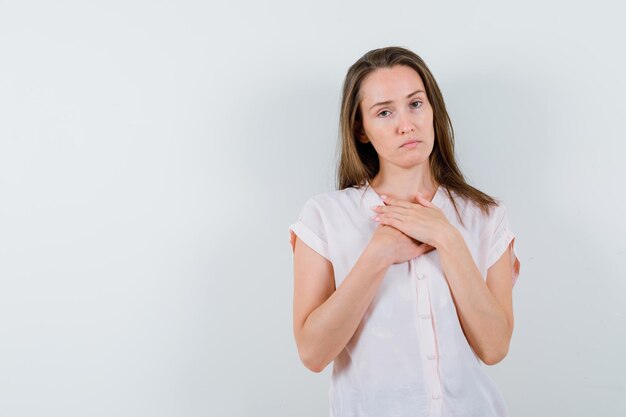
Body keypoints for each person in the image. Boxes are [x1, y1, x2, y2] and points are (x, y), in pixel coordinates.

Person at [287, 46, 521, 417]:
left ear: (432, 111)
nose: (406, 124)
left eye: (415, 104)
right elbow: (313, 354)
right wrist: (378, 254)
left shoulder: (485, 216)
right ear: (360, 130)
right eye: (384, 112)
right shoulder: (324, 217)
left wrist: (447, 238)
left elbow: (494, 348)